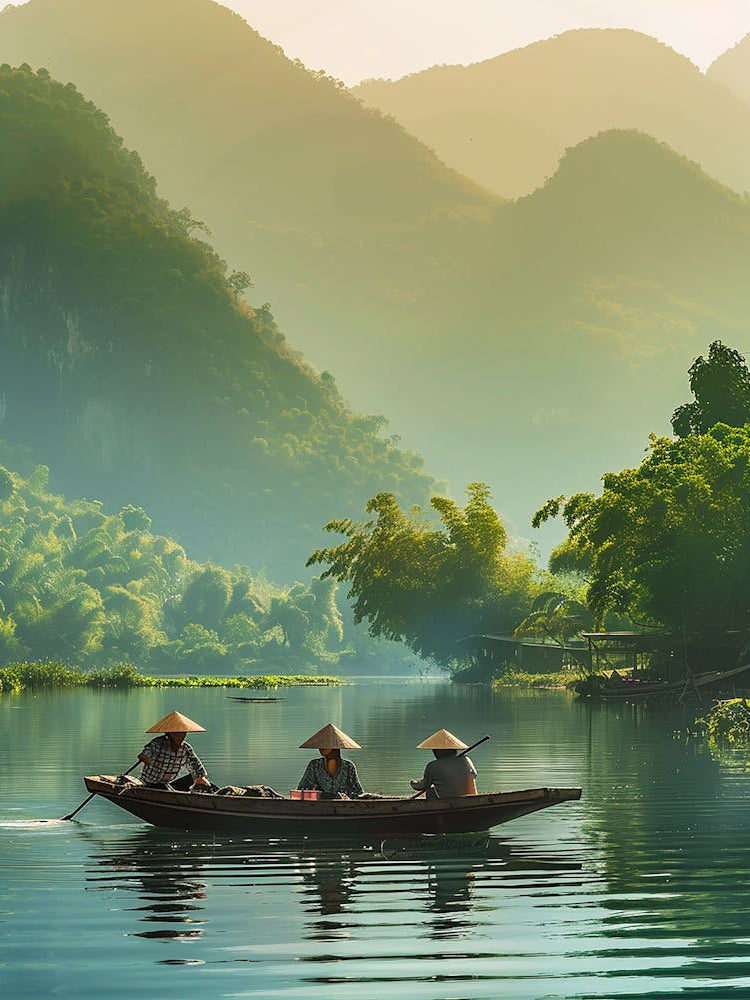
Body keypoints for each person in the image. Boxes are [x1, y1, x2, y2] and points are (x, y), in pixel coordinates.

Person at [138, 710, 213, 790]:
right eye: (180, 733)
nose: (183, 736)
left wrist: (201, 778)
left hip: (166, 784)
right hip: (149, 784)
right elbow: (145, 753)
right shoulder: (157, 743)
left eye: (184, 733)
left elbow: (196, 766)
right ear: (171, 733)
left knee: (197, 780)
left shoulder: (185, 749)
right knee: (161, 787)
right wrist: (145, 757)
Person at [297, 723, 364, 798]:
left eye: (325, 745)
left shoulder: (348, 766)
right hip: (318, 806)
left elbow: (358, 792)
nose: (321, 748)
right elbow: (302, 789)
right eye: (321, 745)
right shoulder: (314, 765)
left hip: (344, 805)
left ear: (334, 747)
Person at [410, 729, 477, 799]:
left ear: (439, 751)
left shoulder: (433, 765)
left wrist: (413, 782)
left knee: (430, 791)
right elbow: (474, 774)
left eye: (435, 750)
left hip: (450, 802)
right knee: (433, 789)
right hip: (472, 799)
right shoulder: (466, 759)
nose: (434, 752)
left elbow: (423, 785)